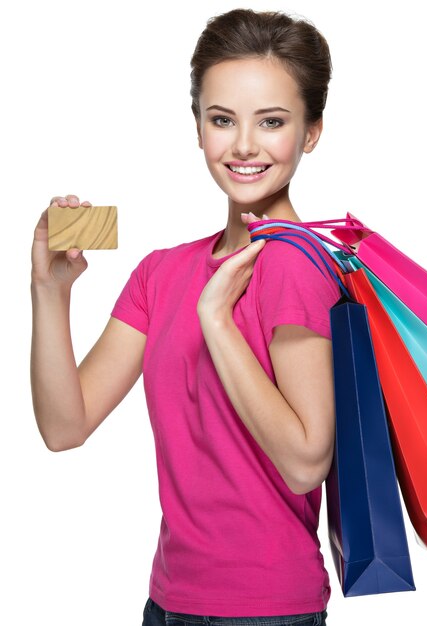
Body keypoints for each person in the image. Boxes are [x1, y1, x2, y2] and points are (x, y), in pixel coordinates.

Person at [30, 8, 341, 626]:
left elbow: (307, 462)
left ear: (310, 132)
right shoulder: (162, 271)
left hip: (267, 609)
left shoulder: (297, 265)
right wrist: (49, 291)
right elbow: (65, 427)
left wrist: (217, 323)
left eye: (272, 122)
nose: (245, 145)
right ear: (198, 128)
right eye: (222, 119)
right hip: (169, 601)